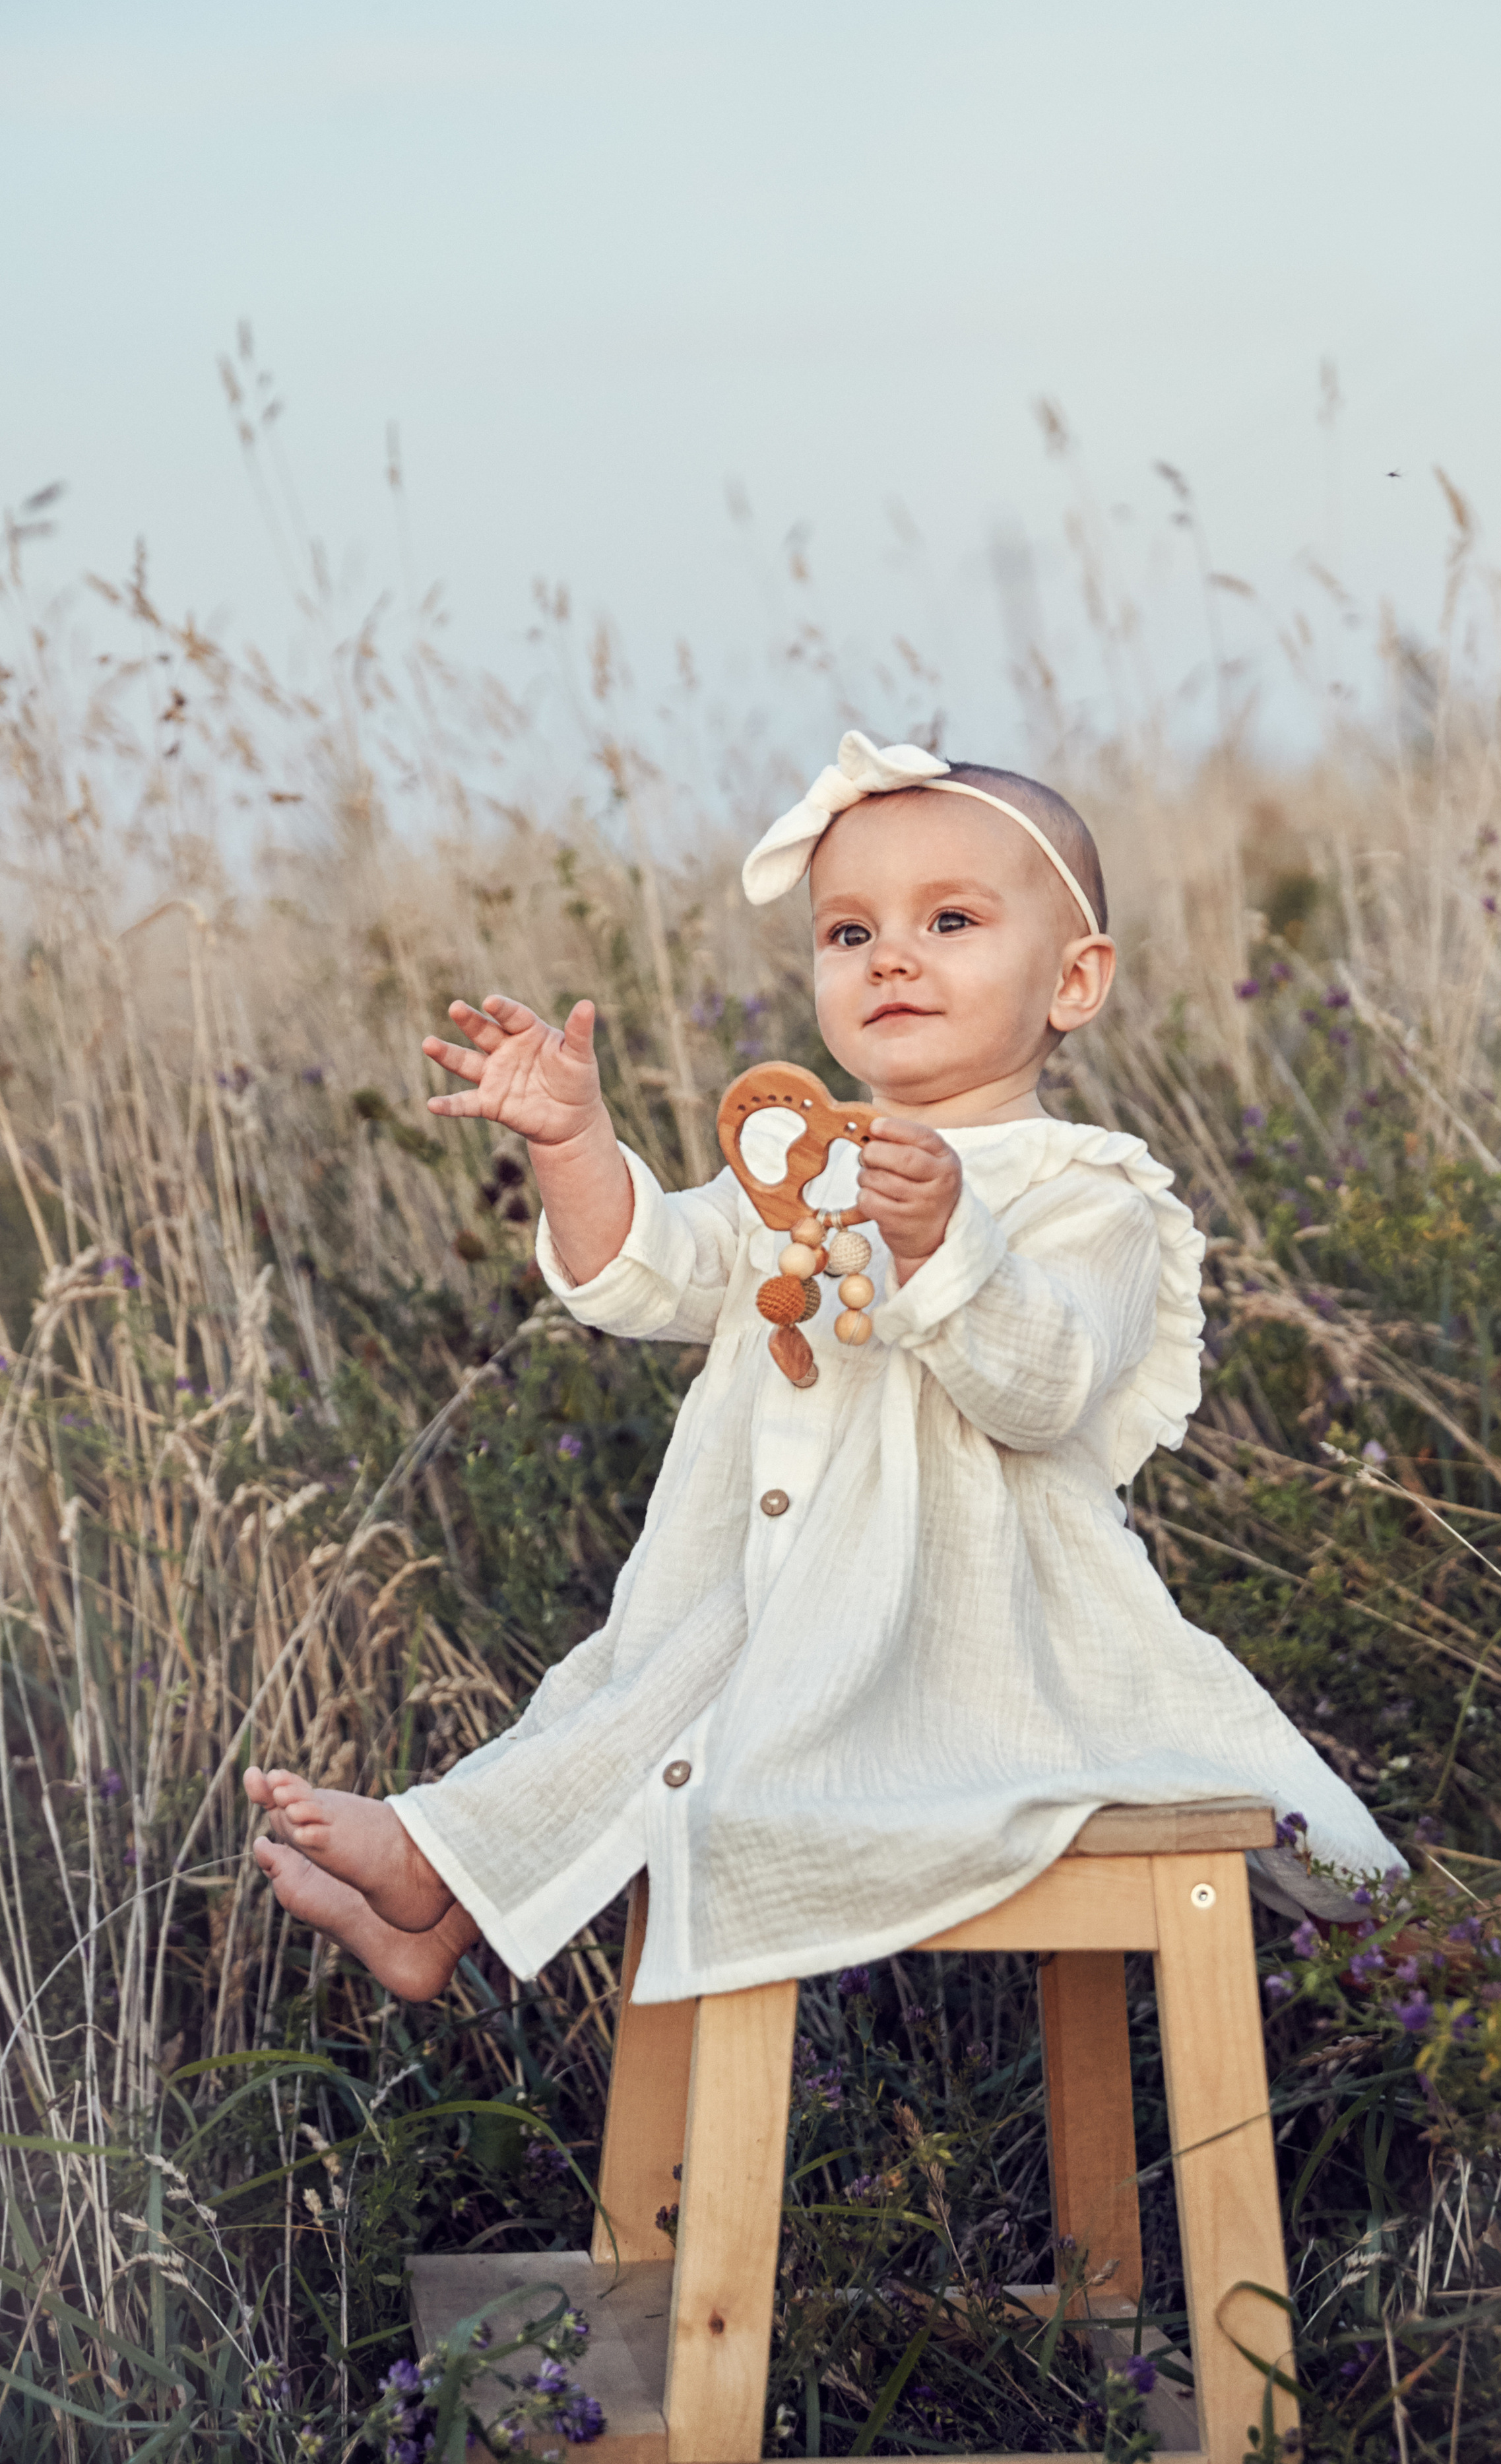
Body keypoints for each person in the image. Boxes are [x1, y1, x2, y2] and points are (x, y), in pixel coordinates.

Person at [247, 734, 1399, 2002]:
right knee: (634, 1692)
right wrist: (576, 1144)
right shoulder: (796, 1170)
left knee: (676, 1697)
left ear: (1075, 980)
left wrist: (949, 1243)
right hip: (776, 1594)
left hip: (971, 1634)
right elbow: (651, 1272)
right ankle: (438, 1903)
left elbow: (1048, 1388)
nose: (890, 956)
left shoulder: (1091, 1192)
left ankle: (438, 1874)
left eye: (949, 920)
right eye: (848, 933)